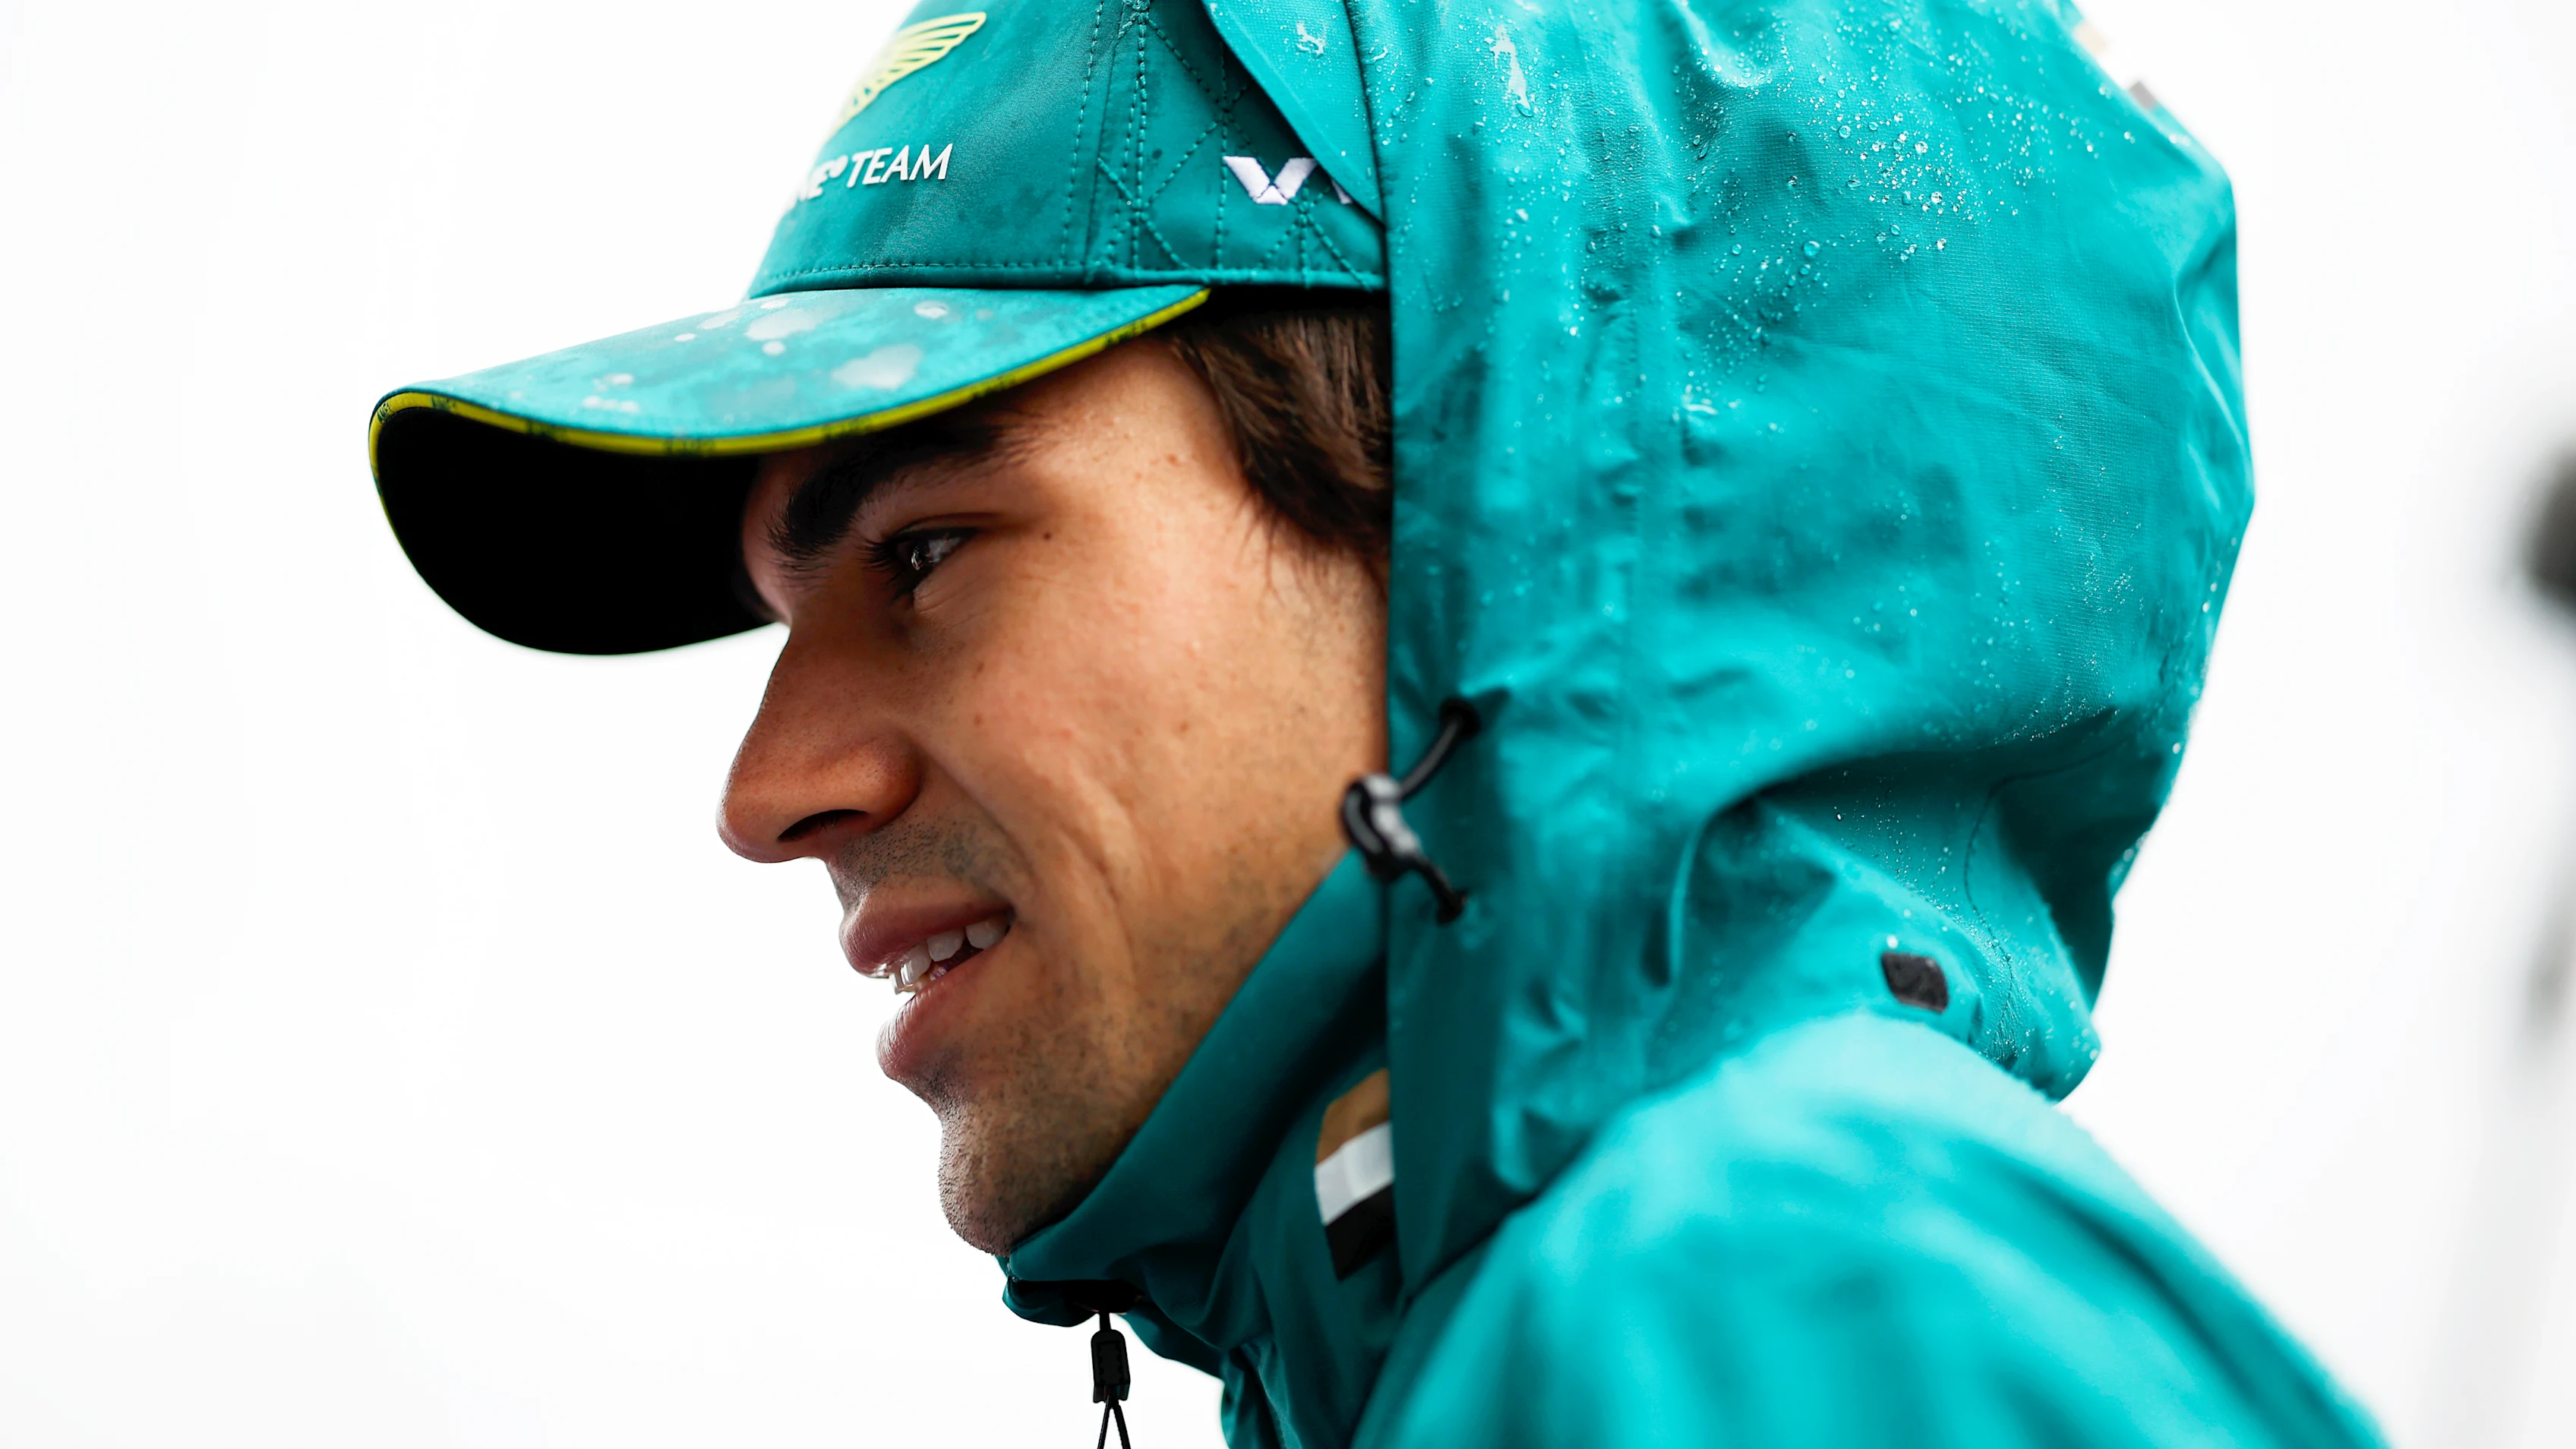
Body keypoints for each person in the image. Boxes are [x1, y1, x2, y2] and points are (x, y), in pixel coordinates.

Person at [368, 0, 2386, 1444]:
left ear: (1494, 508)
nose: (773, 787)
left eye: (923, 553)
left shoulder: (1756, 1302)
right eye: (784, 615)